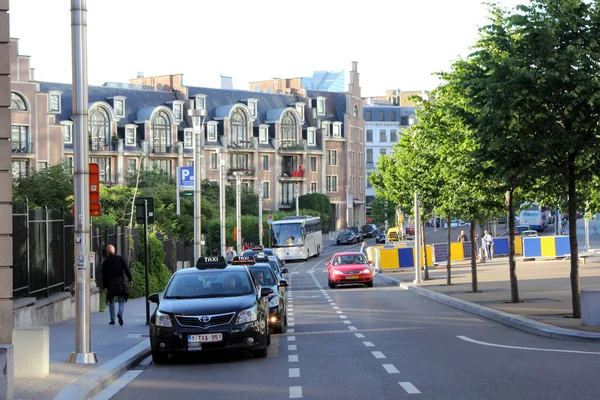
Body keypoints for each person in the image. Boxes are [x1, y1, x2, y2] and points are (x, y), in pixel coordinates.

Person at [101, 245, 133, 326]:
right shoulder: (120, 258)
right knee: (121, 299)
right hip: (120, 282)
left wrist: (105, 287)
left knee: (111, 301)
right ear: (114, 250)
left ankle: (112, 319)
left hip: (110, 283)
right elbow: (126, 269)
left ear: (107, 252)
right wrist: (130, 279)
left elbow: (104, 276)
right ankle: (120, 313)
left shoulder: (105, 262)